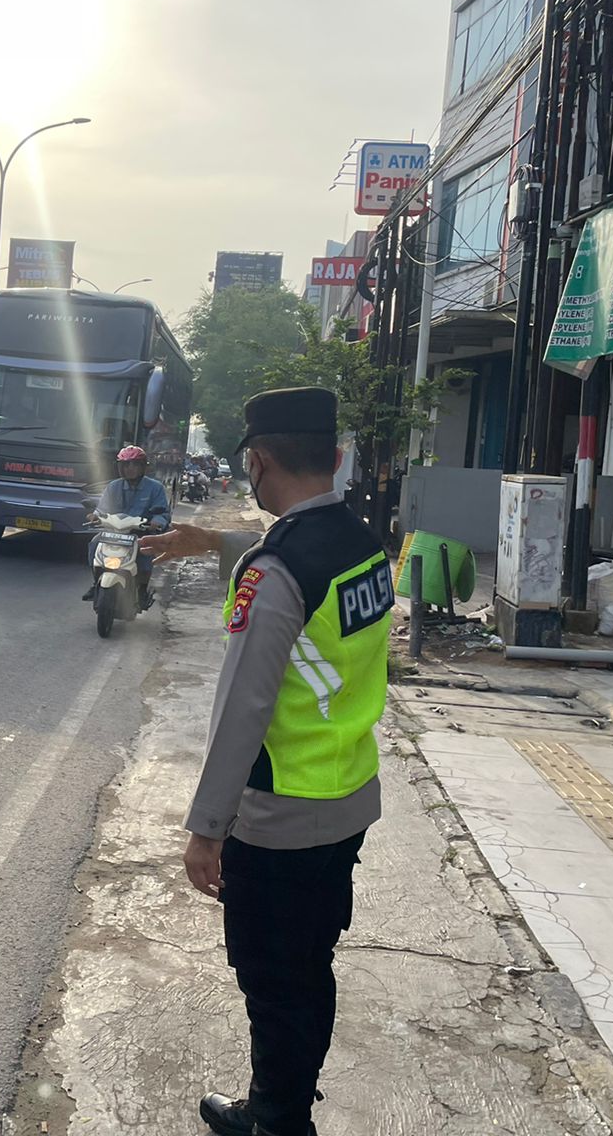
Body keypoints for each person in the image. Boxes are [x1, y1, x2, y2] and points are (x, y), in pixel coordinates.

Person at [138, 388, 394, 1136]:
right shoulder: (365, 542)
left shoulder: (274, 571)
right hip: (347, 796)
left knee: (274, 982)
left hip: (281, 817)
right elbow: (305, 573)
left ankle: (277, 1122)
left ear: (256, 462)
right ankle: (286, 1105)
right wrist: (214, 543)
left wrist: (206, 828)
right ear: (335, 457)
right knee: (309, 967)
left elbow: (243, 711)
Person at [83, 445, 171, 609]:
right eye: (125, 465)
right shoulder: (113, 486)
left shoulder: (155, 488)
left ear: (143, 467)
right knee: (94, 544)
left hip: (140, 533)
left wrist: (157, 522)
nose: (129, 468)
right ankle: (96, 583)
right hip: (113, 532)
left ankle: (142, 590)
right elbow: (102, 509)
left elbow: (162, 513)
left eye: (134, 464)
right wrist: (95, 516)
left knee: (145, 554)